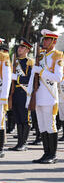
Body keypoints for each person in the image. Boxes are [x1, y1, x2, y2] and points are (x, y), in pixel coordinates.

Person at [27, 29, 63, 164]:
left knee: (50, 126)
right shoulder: (40, 56)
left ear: (54, 42)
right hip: (38, 95)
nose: (45, 42)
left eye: (47, 39)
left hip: (49, 96)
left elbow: (58, 78)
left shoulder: (58, 56)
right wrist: (29, 95)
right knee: (41, 126)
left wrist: (41, 71)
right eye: (44, 39)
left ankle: (52, 155)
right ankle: (46, 153)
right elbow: (33, 78)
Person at [8, 38, 33, 151]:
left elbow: (30, 79)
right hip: (16, 93)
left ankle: (23, 143)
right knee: (17, 118)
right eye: (19, 47)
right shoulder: (15, 62)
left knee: (25, 119)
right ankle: (19, 143)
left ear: (27, 50)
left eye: (22, 47)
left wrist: (17, 78)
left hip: (25, 92)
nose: (19, 49)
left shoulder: (30, 62)